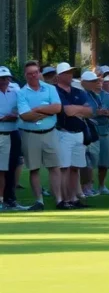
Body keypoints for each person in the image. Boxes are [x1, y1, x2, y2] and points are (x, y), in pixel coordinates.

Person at [16, 61, 61, 211]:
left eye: (35, 72)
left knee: (54, 167)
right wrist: (46, 112)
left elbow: (57, 108)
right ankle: (39, 201)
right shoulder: (21, 92)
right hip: (30, 135)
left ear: (39, 72)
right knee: (34, 169)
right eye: (30, 73)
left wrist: (39, 109)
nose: (33, 75)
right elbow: (25, 115)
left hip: (50, 133)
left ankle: (59, 199)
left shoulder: (50, 88)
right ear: (26, 75)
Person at [54, 62, 91, 209]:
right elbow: (67, 111)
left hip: (78, 133)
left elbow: (89, 111)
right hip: (63, 133)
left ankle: (74, 198)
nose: (70, 75)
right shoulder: (55, 91)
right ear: (59, 76)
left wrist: (76, 110)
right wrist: (80, 110)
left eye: (71, 72)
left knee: (75, 167)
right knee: (64, 168)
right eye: (67, 73)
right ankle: (65, 200)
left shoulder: (78, 91)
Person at [82, 71, 109, 196]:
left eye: (100, 81)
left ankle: (102, 186)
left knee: (105, 161)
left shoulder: (107, 95)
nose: (98, 83)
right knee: (90, 160)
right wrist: (97, 112)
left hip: (105, 131)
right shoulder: (85, 95)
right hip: (91, 131)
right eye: (95, 81)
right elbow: (83, 112)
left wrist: (107, 113)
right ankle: (88, 186)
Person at [0, 67, 25, 210]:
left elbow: (22, 109)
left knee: (11, 168)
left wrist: (16, 115)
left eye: (6, 78)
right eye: (1, 78)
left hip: (13, 133)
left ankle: (10, 199)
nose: (4, 81)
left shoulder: (15, 92)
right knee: (1, 170)